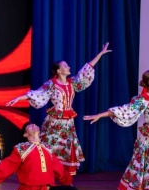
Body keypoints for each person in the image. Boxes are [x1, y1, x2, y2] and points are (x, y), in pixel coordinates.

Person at [6, 43, 111, 177]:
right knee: (50, 147)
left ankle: (65, 180)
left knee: (67, 148)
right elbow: (38, 94)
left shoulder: (72, 83)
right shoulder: (51, 84)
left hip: (68, 123)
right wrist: (20, 98)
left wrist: (100, 54)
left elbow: (85, 71)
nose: (69, 67)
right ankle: (44, 176)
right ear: (59, 71)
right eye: (65, 66)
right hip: (54, 122)